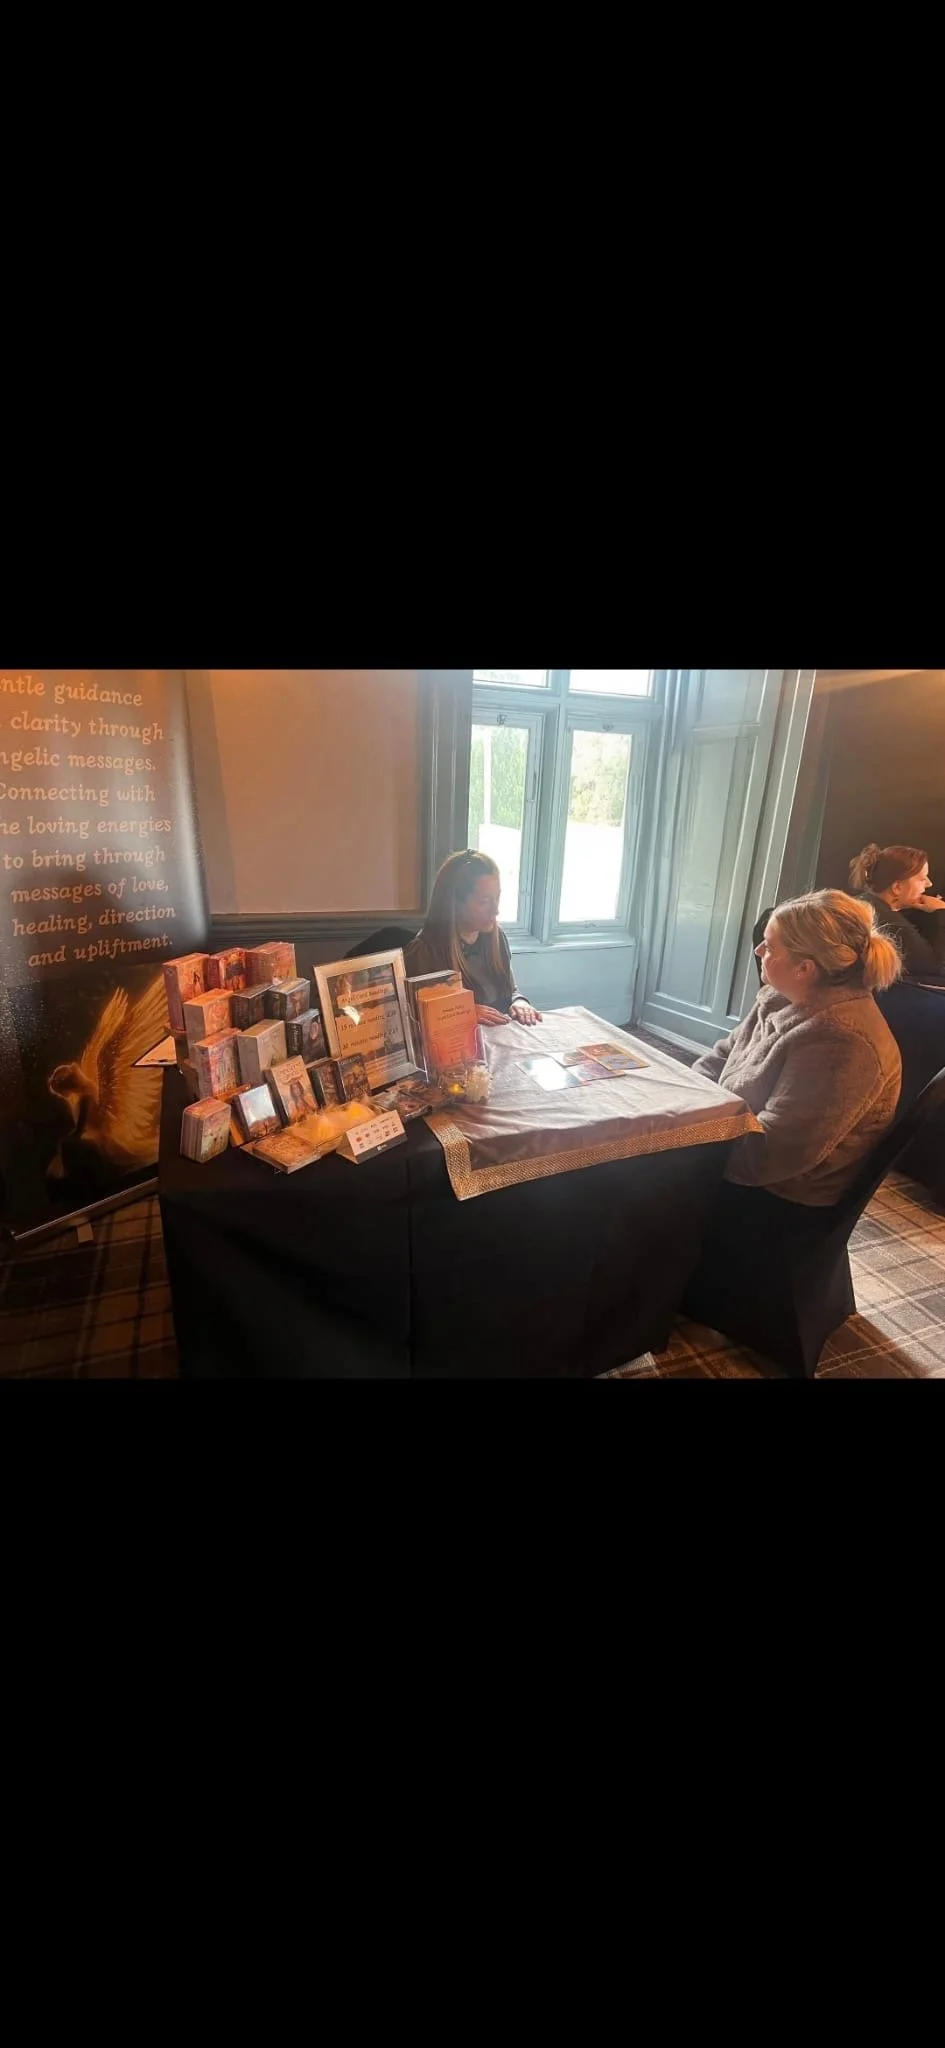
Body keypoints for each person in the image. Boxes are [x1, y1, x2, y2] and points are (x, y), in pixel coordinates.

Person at [691, 890, 902, 1205]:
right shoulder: (782, 995)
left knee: (629, 1188)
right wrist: (684, 1110)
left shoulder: (842, 1041)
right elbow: (720, 1058)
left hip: (778, 1198)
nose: (759, 950)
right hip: (732, 1153)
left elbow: (770, 1154)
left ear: (804, 968)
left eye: (769, 946)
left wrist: (684, 1146)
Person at [404, 850, 542, 1025]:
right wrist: (462, 1013)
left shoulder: (496, 937)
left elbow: (511, 990)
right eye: (484, 901)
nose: (496, 910)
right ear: (455, 904)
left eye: (497, 898)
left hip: (503, 1035)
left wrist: (519, 1001)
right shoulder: (424, 953)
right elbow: (414, 1020)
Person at [848, 842, 945, 985]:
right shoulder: (888, 921)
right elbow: (935, 966)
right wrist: (942, 911)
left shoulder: (863, 903)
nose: (929, 884)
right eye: (922, 878)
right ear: (897, 887)